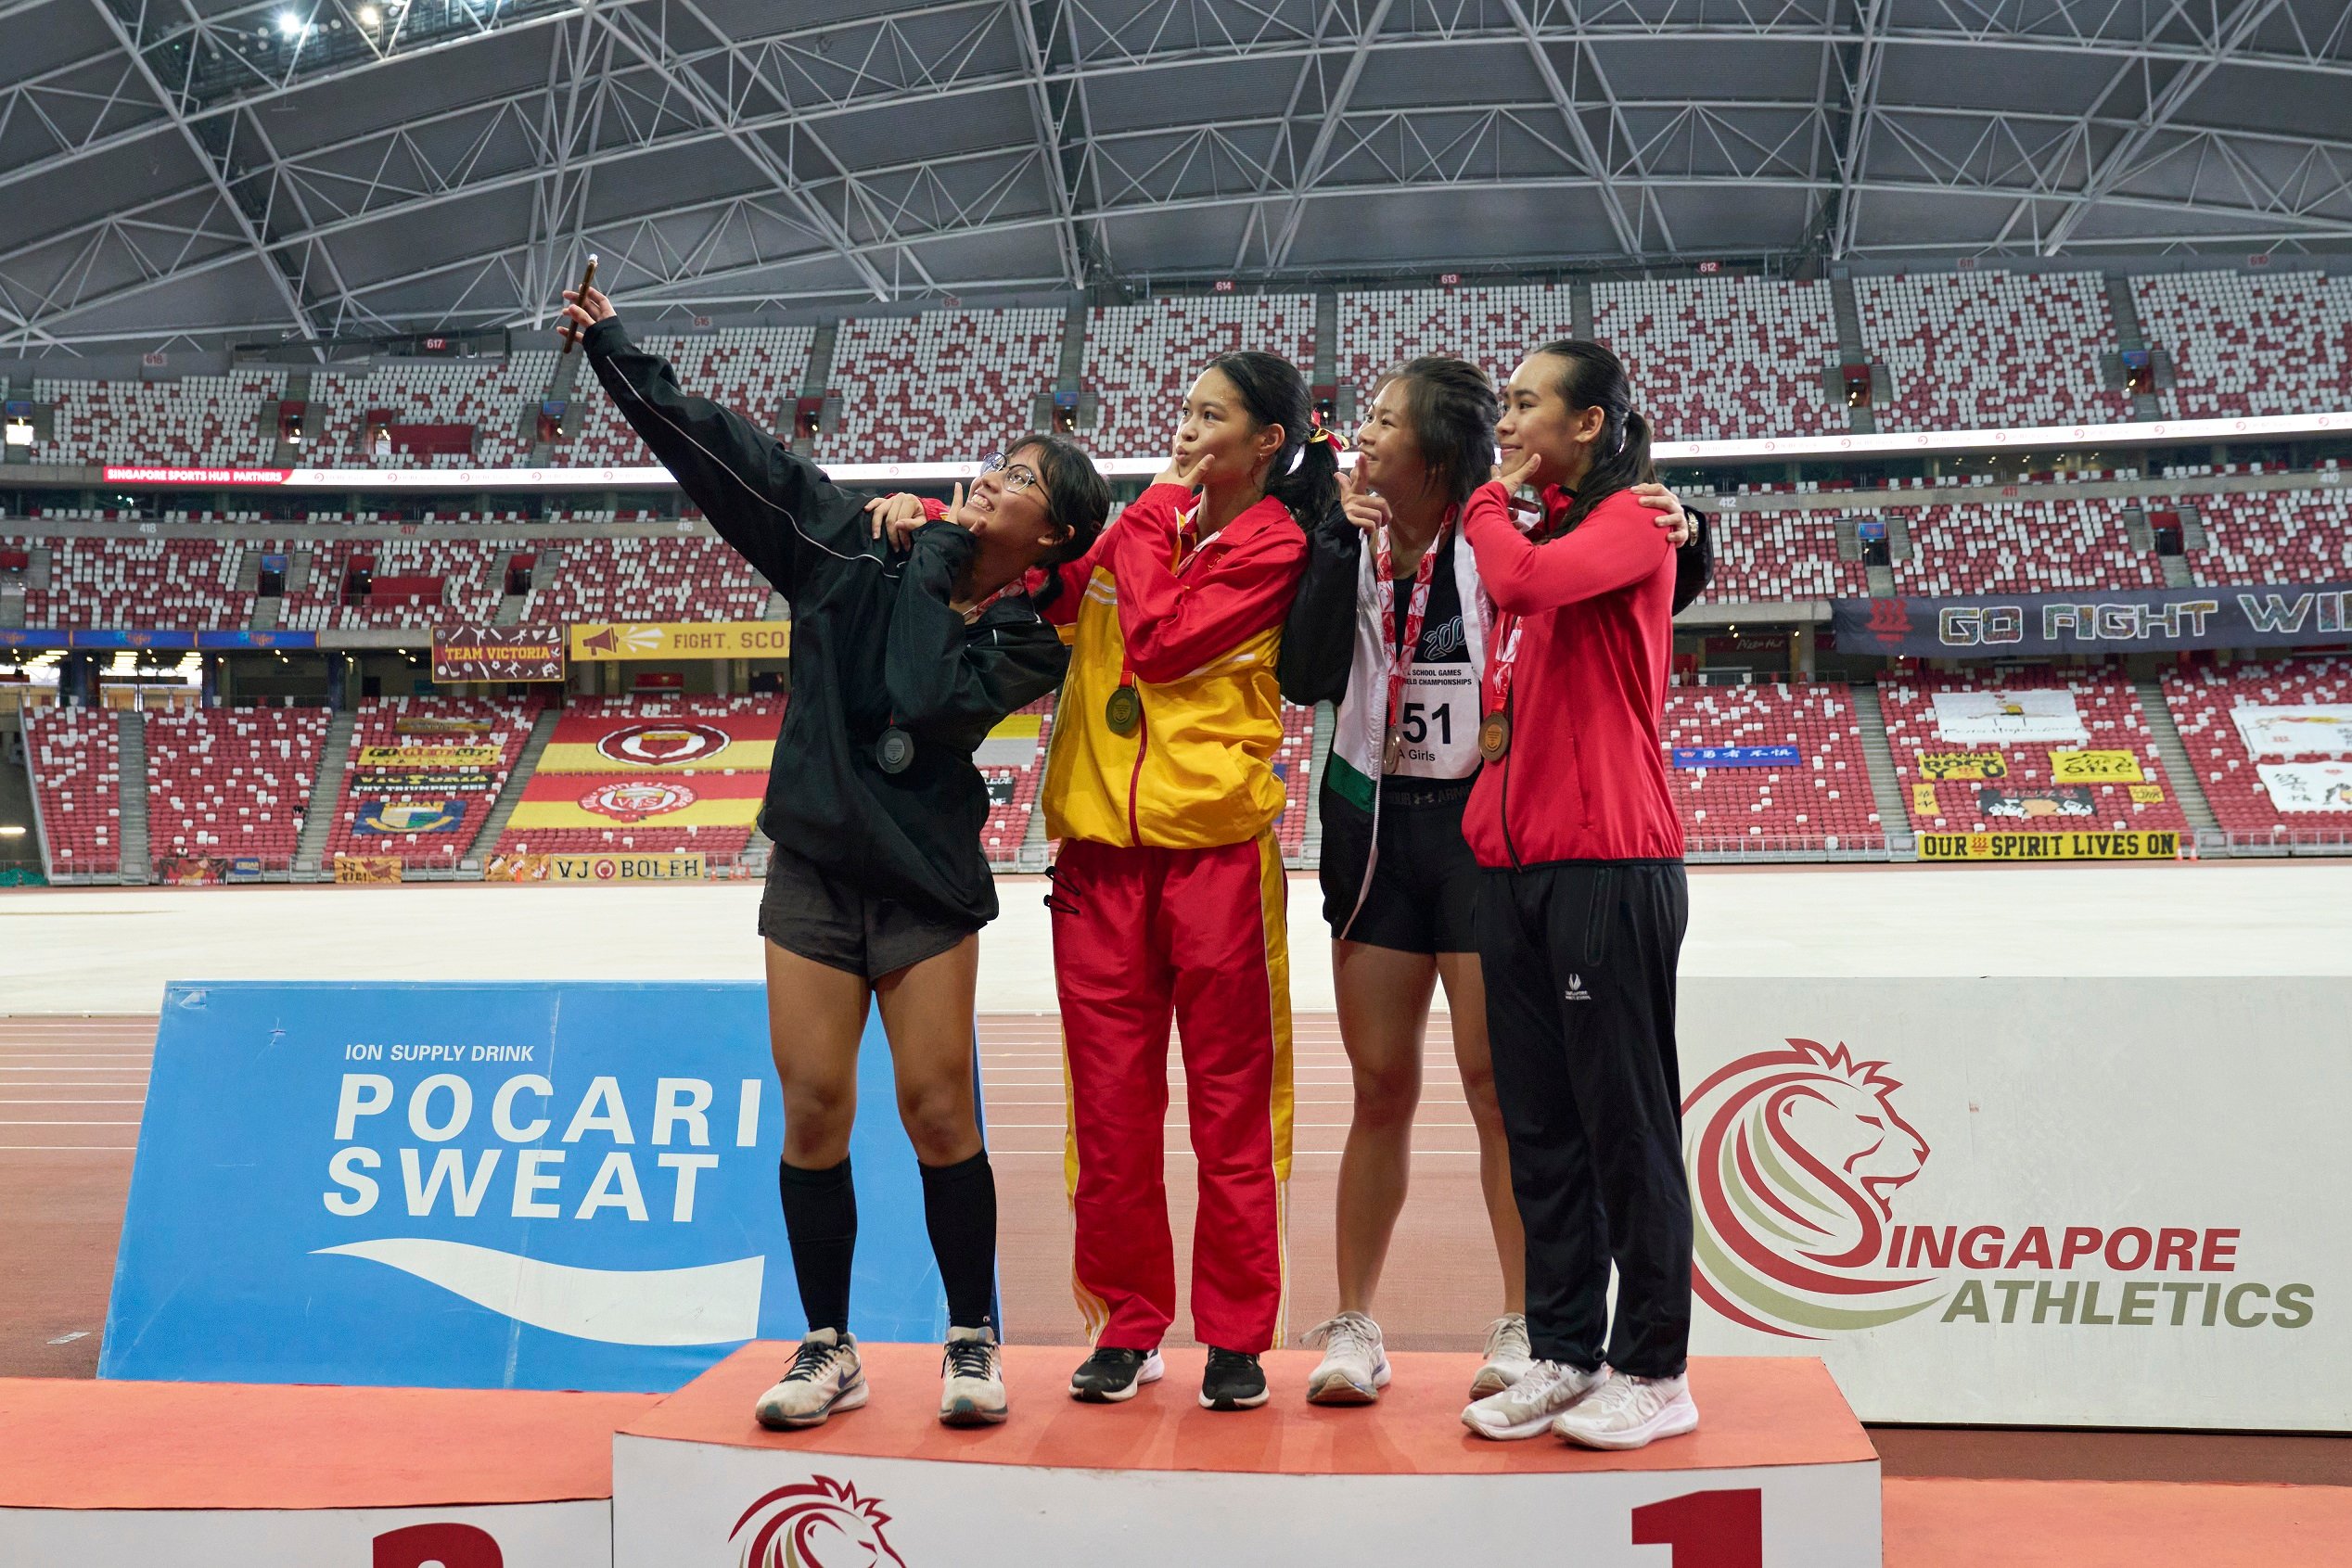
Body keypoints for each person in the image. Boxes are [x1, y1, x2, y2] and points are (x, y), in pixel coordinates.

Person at [558, 283, 1108, 1432]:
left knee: (935, 1107)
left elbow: (917, 686)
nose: (990, 482)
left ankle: (971, 1337)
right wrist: (616, 354)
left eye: (1019, 484)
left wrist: (932, 545)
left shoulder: (1022, 637)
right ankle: (828, 1344)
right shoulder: (845, 545)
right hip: (812, 868)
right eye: (994, 466)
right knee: (812, 1106)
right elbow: (729, 458)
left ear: (1050, 536)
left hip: (922, 885)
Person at [1279, 357, 1710, 1407]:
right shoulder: (1348, 534)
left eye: (1382, 422)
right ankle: (1353, 1324)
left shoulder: (1505, 533)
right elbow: (1301, 671)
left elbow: (1635, 558)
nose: (1362, 436)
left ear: (1434, 451)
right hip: (1379, 833)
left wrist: (1694, 519)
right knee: (1380, 1085)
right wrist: (1340, 540)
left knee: (1502, 1093)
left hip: (1491, 834)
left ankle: (1529, 1324)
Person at [1037, 351, 1329, 1412]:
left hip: (1215, 859)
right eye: (1185, 410)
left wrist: (1158, 507)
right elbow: (1050, 587)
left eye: (1212, 415)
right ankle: (1127, 1321)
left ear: (1265, 444)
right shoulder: (1134, 526)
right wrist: (944, 516)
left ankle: (1240, 1333)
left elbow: (1158, 643)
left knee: (1230, 1110)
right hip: (1098, 863)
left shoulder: (1275, 543)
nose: (1187, 428)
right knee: (1109, 1116)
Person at [1452, 339, 1697, 1450]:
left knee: (1624, 1122)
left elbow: (1521, 582)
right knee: (1542, 1126)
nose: (1504, 420)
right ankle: (1562, 1348)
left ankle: (1655, 1365)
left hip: (1607, 858)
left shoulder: (1632, 520)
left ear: (1589, 423)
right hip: (1513, 862)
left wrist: (1484, 507)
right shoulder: (1548, 522)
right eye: (1501, 403)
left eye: (1524, 403)